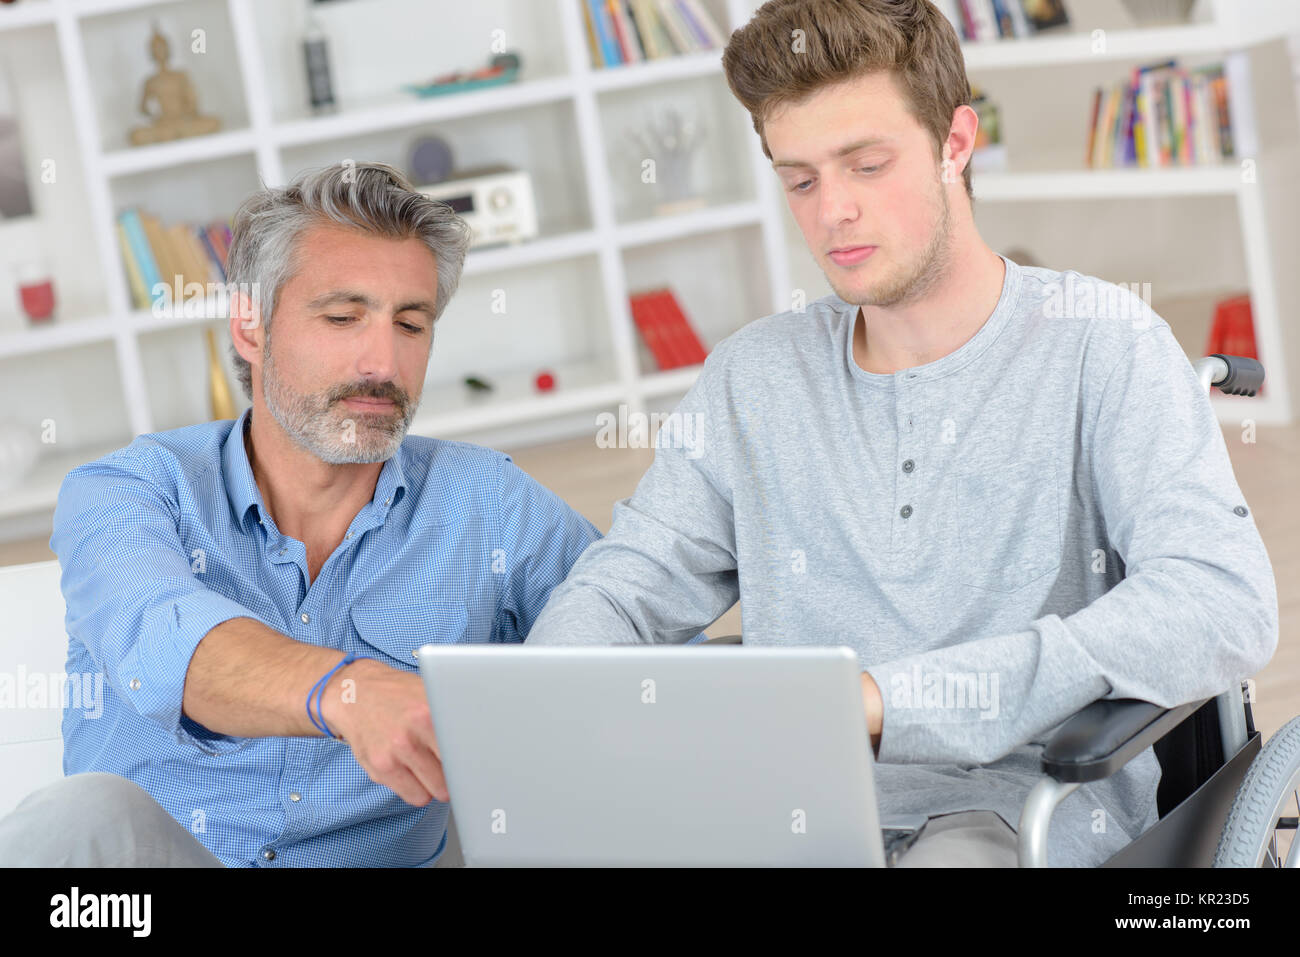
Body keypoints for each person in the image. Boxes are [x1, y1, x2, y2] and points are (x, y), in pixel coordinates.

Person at [524, 0, 1279, 867]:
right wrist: (536, 707)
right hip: (784, 811)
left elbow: (1221, 602)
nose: (832, 211)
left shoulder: (1102, 343)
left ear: (956, 142)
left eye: (867, 164)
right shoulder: (753, 376)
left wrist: (890, 699)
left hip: (1014, 814)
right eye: (800, 179)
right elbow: (629, 585)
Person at [0, 162, 600, 867]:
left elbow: (639, 658)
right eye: (343, 317)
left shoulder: (489, 505)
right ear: (251, 328)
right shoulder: (129, 493)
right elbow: (170, 645)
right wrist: (348, 690)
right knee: (83, 817)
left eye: (411, 323)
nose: (383, 360)